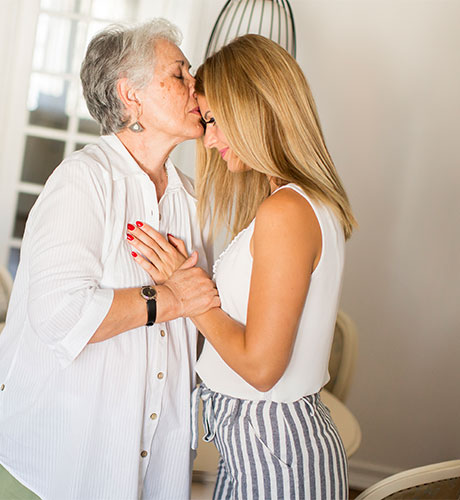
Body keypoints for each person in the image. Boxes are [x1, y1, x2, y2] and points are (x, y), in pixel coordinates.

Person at [0, 19, 219, 499]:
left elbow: (201, 325)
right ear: (132, 96)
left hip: (144, 473)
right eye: (179, 73)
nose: (196, 85)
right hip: (47, 466)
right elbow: (59, 312)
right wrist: (170, 299)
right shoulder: (83, 181)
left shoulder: (191, 202)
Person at [127, 34, 357, 499]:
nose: (209, 141)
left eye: (213, 121)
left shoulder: (286, 212)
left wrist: (187, 290)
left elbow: (261, 366)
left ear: (253, 108)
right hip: (262, 445)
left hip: (275, 448)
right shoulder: (299, 204)